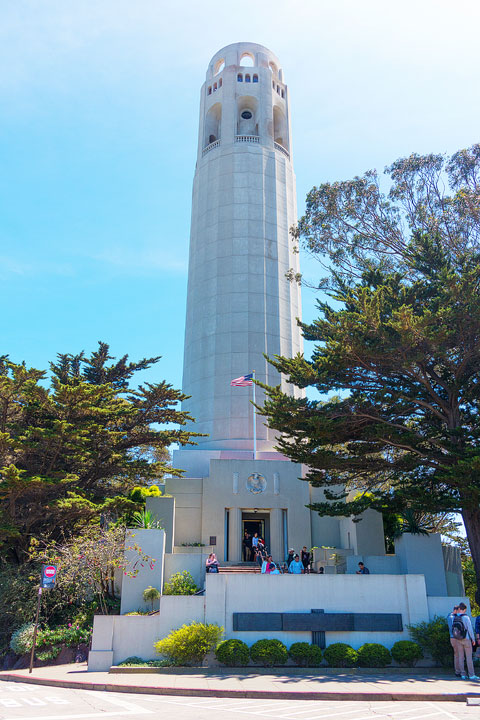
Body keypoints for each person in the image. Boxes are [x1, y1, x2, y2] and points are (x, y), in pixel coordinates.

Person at [453, 603, 479, 680]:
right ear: (464, 609)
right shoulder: (466, 617)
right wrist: (473, 639)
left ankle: (463, 674)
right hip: (466, 639)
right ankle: (471, 674)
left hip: (458, 639)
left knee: (461, 657)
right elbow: (470, 629)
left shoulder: (456, 617)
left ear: (459, 609)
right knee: (469, 657)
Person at [447, 605, 462, 676]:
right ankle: (458, 671)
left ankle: (458, 671)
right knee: (458, 655)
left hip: (452, 637)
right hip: (455, 637)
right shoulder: (452, 617)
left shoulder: (449, 616)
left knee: (457, 654)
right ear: (456, 610)